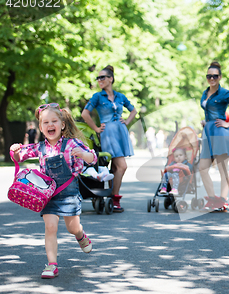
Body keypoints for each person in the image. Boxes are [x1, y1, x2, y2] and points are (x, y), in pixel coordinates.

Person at [10, 103, 97, 279]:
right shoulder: (39, 147)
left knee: (72, 228)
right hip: (48, 194)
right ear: (41, 128)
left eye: (54, 121)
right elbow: (21, 155)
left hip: (69, 193)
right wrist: (15, 151)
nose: (50, 125)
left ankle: (80, 235)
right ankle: (52, 264)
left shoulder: (72, 143)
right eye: (46, 122)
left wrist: (82, 153)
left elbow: (92, 158)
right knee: (50, 227)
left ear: (62, 124)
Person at [81, 65, 137, 212]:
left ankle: (112, 198)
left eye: (102, 77)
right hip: (108, 134)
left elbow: (134, 110)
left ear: (110, 79)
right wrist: (96, 128)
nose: (99, 80)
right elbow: (85, 114)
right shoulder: (97, 97)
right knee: (122, 166)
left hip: (120, 132)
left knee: (115, 167)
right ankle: (115, 197)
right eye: (98, 78)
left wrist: (127, 121)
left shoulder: (120, 96)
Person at [199, 61, 229, 212]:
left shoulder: (225, 93)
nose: (212, 79)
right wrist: (206, 121)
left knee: (222, 169)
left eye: (215, 76)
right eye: (209, 76)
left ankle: (223, 201)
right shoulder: (205, 93)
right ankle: (212, 200)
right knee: (202, 168)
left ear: (220, 77)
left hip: (220, 133)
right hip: (208, 132)